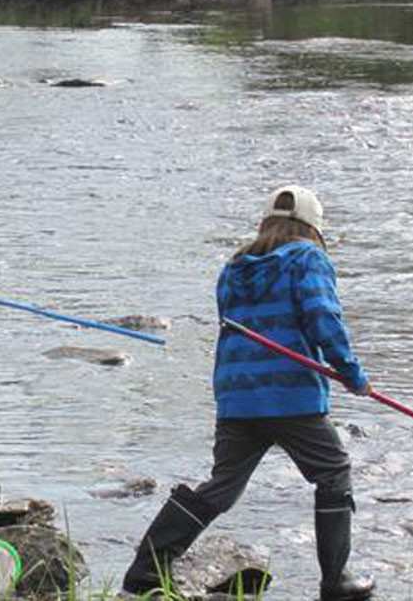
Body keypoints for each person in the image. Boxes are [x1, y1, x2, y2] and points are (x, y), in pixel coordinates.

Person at [121, 186, 376, 601]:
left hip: (237, 394)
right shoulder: (309, 258)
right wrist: (351, 373)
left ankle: (146, 570)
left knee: (221, 485)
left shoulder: (235, 266)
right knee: (333, 473)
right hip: (288, 394)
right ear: (313, 228)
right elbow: (322, 317)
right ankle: (337, 581)